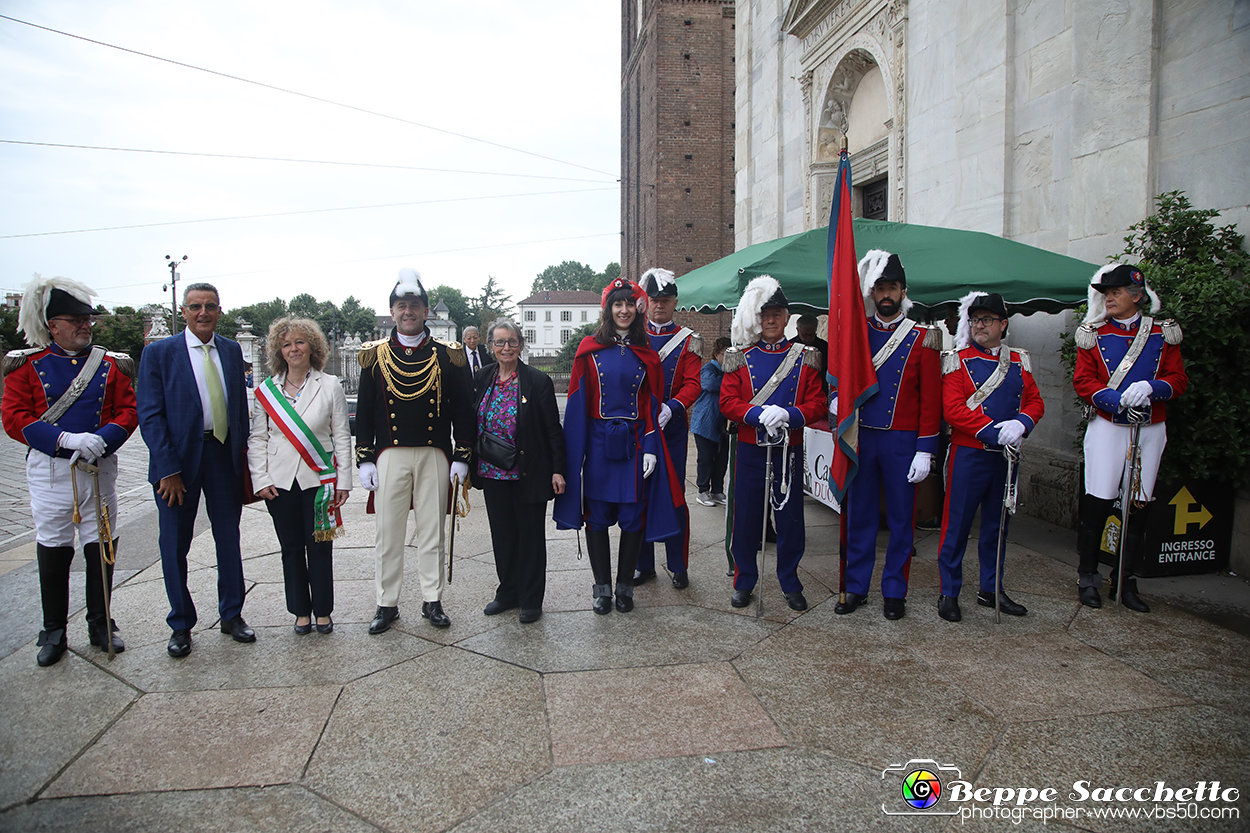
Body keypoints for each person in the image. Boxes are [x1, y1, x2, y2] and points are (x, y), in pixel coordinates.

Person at [1, 275, 137, 666]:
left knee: (102, 544)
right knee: (55, 545)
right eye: (74, 319)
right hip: (52, 470)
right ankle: (54, 630)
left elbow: (128, 411)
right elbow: (14, 418)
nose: (84, 325)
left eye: (87, 319)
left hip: (98, 467)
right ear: (51, 325)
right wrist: (65, 441)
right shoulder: (27, 366)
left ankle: (101, 622)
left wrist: (105, 439)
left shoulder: (110, 364)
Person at [553, 277, 683, 614]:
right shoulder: (587, 350)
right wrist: (574, 455)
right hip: (597, 447)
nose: (623, 310)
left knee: (633, 517)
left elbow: (652, 406)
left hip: (636, 445)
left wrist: (653, 447)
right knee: (596, 517)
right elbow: (578, 406)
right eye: (617, 304)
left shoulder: (647, 354)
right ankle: (602, 590)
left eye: (628, 304)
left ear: (635, 309)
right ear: (609, 310)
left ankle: (625, 588)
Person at [356, 268, 475, 632]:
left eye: (415, 305)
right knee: (388, 533)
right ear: (392, 312)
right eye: (401, 305)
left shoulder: (448, 356)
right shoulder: (374, 357)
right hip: (390, 452)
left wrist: (462, 455)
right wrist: (364, 458)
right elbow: (363, 410)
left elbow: (463, 410)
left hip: (433, 452)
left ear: (427, 312)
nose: (408, 311)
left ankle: (432, 599)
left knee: (431, 531)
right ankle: (386, 602)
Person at [138, 282, 253, 658]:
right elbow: (150, 416)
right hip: (178, 463)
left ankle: (232, 614)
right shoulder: (159, 354)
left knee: (228, 539)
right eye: (194, 307)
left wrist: (243, 456)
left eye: (210, 306)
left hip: (222, 455)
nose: (202, 313)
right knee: (173, 546)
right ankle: (181, 624)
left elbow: (238, 407)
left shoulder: (232, 351)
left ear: (220, 310)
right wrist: (167, 469)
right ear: (183, 312)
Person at [1073, 263, 1186, 612]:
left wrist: (1152, 387)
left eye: (1116, 292)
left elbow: (1178, 380)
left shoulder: (1162, 334)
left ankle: (1124, 580)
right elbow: (1083, 381)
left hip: (1150, 425)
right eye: (1106, 293)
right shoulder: (1093, 334)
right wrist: (1114, 398)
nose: (1108, 298)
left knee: (1138, 504)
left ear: (1136, 296)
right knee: (1098, 501)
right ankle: (1087, 577)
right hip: (1109, 424)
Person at [835, 251, 941, 620]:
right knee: (859, 517)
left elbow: (931, 398)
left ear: (903, 291)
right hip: (861, 436)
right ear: (872, 291)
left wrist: (926, 448)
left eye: (892, 287)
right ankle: (857, 586)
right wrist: (837, 400)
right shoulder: (857, 333)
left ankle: (895, 589)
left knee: (901, 520)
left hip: (902, 441)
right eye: (880, 287)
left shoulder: (922, 337)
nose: (886, 294)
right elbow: (843, 375)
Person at [936, 292, 1045, 622]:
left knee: (998, 527)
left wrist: (1022, 422)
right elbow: (953, 410)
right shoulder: (957, 360)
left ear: (1003, 324)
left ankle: (991, 588)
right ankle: (949, 591)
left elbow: (1035, 402)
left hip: (1006, 459)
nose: (979, 326)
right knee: (957, 525)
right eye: (975, 320)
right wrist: (995, 430)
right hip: (970, 455)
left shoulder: (1019, 361)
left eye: (986, 320)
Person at [719, 276, 825, 611]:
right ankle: (744, 580)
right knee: (747, 518)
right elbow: (727, 402)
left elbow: (818, 404)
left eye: (777, 313)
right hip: (751, 447)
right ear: (756, 316)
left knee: (791, 518)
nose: (771, 319)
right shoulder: (739, 356)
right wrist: (754, 414)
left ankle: (790, 580)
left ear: (787, 316)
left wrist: (790, 414)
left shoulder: (805, 356)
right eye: (765, 313)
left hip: (787, 448)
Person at [247, 317, 351, 635]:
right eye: (287, 343)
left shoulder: (330, 385)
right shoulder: (266, 391)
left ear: (312, 346)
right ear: (279, 350)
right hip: (280, 483)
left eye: (300, 342)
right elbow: (258, 439)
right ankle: (300, 612)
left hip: (320, 481)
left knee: (320, 547)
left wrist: (344, 481)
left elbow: (342, 435)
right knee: (290, 548)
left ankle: (322, 611)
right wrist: (260, 480)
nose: (294, 349)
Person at [470, 319, 567, 623]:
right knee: (503, 536)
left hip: (528, 471)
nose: (506, 348)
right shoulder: (481, 377)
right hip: (491, 471)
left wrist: (557, 469)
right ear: (490, 347)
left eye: (512, 342)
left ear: (521, 345)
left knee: (530, 538)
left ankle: (530, 598)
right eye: (499, 342)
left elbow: (553, 429)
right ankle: (507, 592)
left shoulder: (537, 381)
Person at [634, 268, 702, 589]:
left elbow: (693, 384)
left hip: (671, 429)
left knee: (674, 497)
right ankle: (643, 564)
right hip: (638, 429)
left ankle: (678, 564)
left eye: (666, 300)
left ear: (675, 302)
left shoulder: (688, 340)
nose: (659, 305)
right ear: (645, 303)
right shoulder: (633, 336)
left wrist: (672, 407)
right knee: (639, 496)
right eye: (654, 300)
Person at [690, 337, 733, 507]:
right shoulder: (709, 369)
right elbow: (709, 384)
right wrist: (732, 383)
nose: (729, 358)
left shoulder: (730, 371)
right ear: (717, 354)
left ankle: (717, 490)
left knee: (722, 458)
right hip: (704, 423)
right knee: (706, 458)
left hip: (723, 424)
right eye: (725, 354)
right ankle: (703, 491)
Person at [794, 313, 829, 397]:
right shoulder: (791, 345)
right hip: (796, 387)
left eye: (811, 334)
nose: (808, 338)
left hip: (819, 387)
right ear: (797, 330)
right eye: (804, 334)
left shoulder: (824, 346)